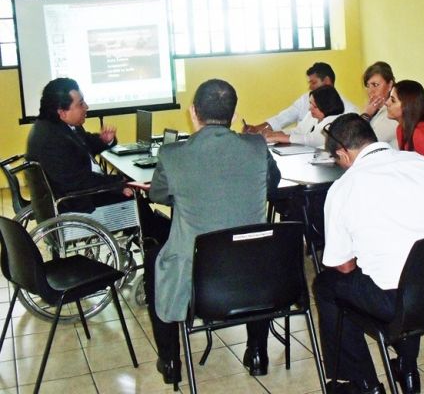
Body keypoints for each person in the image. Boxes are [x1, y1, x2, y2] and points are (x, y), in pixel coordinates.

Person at [314, 114, 424, 394]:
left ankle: (362, 383)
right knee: (406, 266)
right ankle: (407, 367)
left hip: (409, 303)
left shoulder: (344, 187)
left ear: (343, 154)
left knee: (327, 285)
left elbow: (343, 266)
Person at [146, 79, 281, 386]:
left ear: (193, 113)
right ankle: (258, 352)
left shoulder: (171, 154)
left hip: (195, 279)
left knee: (156, 262)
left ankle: (170, 361)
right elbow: (271, 184)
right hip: (254, 276)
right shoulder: (257, 147)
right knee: (253, 258)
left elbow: (157, 195)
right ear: (234, 116)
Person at [26, 77, 169, 241]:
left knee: (133, 192)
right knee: (134, 199)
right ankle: (158, 242)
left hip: (78, 195)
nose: (86, 107)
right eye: (80, 104)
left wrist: (104, 140)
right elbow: (79, 181)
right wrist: (118, 184)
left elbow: (84, 144)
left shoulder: (58, 128)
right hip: (77, 205)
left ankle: (153, 234)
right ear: (62, 112)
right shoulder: (52, 140)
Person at [243, 62, 357, 133]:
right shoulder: (305, 99)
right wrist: (257, 129)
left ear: (327, 81)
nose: (310, 87)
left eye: (313, 82)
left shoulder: (349, 109)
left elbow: (314, 138)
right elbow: (284, 119)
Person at [264, 85, 344, 147]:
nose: (310, 109)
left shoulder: (335, 121)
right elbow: (298, 131)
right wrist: (274, 134)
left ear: (327, 107)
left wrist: (278, 137)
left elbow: (312, 140)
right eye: (310, 103)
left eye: (315, 106)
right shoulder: (312, 115)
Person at [358, 61, 398, 146]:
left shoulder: (392, 114)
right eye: (368, 86)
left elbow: (360, 144)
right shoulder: (375, 111)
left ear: (390, 85)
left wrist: (365, 115)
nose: (370, 91)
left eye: (375, 85)